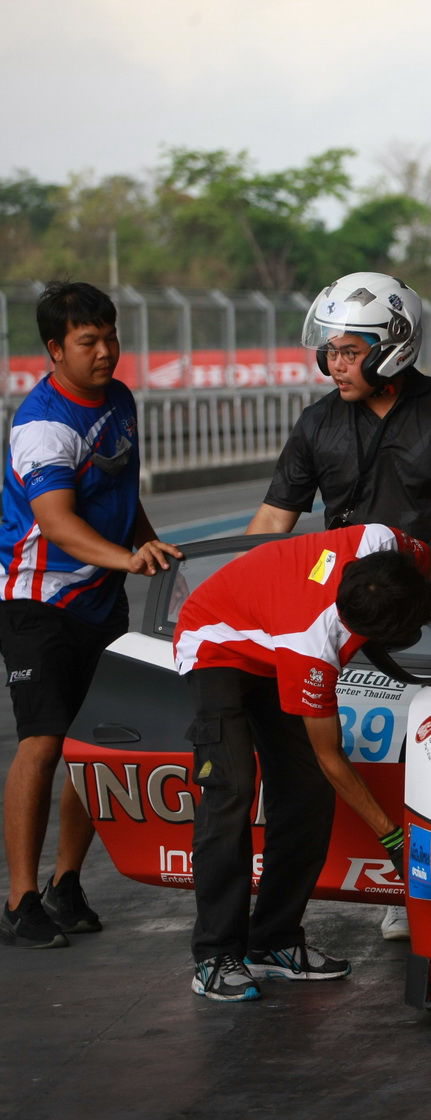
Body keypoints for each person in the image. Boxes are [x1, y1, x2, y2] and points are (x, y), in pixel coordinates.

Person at [244, 271, 431, 941]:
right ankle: (394, 874)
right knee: (360, 745)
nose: (335, 365)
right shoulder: (316, 423)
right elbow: (274, 517)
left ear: (394, 345)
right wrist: (247, 587)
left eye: (349, 351)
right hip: (350, 615)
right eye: (329, 351)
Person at [174, 524, 431, 1001]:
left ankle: (273, 942)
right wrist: (394, 839)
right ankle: (214, 955)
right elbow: (331, 757)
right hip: (214, 643)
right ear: (367, 634)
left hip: (270, 622)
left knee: (305, 792)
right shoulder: (312, 646)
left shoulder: (380, 543)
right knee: (232, 791)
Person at [1, 282, 181, 949]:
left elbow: (119, 491)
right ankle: (20, 898)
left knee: (91, 747)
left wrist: (148, 544)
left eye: (110, 336)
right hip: (36, 600)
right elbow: (58, 522)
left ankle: (65, 883)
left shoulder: (121, 401)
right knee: (44, 741)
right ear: (54, 349)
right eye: (89, 342)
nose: (106, 352)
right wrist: (126, 558)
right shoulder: (42, 423)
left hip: (103, 596)